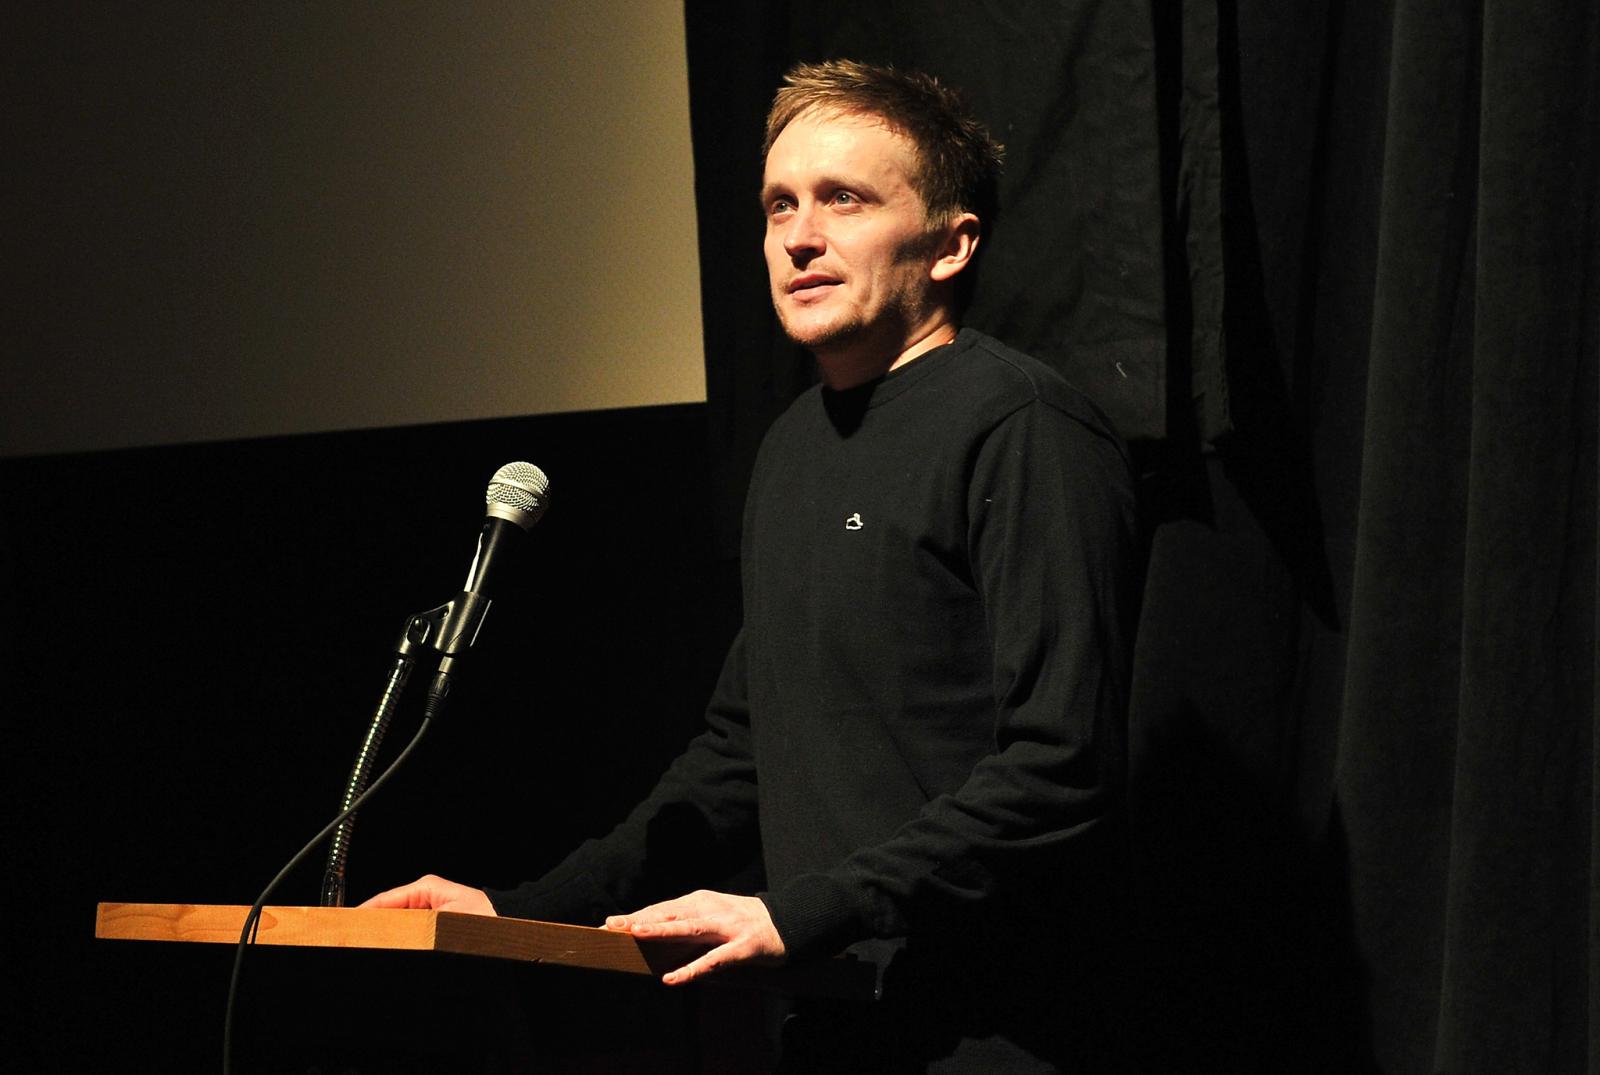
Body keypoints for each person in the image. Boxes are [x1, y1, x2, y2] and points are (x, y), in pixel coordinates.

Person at [366, 59, 1138, 1069]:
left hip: (999, 1029)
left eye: (843, 199)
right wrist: (526, 909)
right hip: (830, 1021)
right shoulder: (790, 449)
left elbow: (1062, 766)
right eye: (779, 205)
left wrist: (803, 910)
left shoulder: (1021, 427)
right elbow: (738, 756)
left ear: (952, 244)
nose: (799, 237)